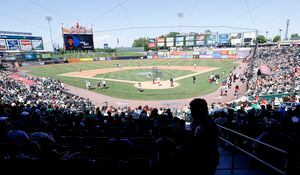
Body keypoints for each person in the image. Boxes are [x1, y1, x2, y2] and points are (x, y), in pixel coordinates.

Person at [178, 98, 219, 175]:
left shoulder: (205, 125)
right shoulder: (201, 122)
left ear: (199, 111)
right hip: (205, 161)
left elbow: (201, 146)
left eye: (193, 110)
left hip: (203, 162)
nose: (192, 113)